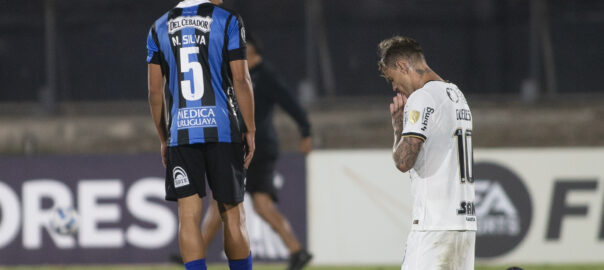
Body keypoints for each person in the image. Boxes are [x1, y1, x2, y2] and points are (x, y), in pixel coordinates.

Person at [146, 0, 255, 269]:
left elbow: (154, 92)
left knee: (188, 217)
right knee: (232, 213)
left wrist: (163, 137)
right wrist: (250, 128)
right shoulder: (228, 20)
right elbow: (241, 79)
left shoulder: (158, 27)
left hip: (181, 133)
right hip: (223, 130)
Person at [200, 33, 313, 270]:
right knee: (260, 205)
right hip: (252, 148)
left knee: (219, 201)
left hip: (256, 149)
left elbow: (290, 102)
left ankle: (194, 254)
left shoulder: (265, 76)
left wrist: (306, 131)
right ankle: (297, 251)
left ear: (250, 52)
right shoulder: (245, 76)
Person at [378, 36, 476, 270]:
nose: (394, 87)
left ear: (402, 65)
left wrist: (398, 129)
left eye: (392, 78)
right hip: (464, 226)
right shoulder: (456, 95)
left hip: (434, 227)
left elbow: (404, 161)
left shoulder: (422, 98)